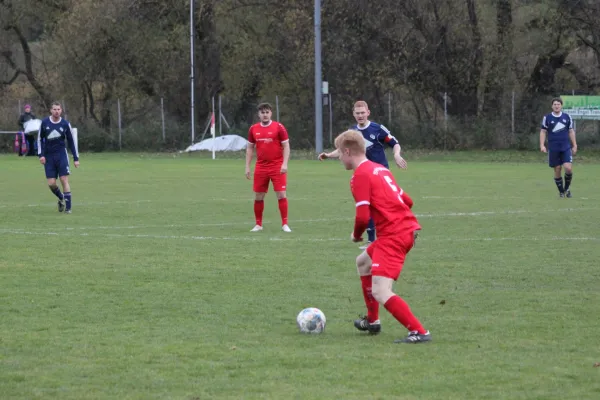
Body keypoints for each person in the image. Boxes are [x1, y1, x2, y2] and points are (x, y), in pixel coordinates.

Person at [335, 129, 430, 344]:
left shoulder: (359, 175)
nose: (339, 158)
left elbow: (362, 217)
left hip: (394, 235)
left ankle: (419, 332)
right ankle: (373, 321)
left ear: (348, 151)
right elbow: (408, 200)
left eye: (340, 153)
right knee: (363, 263)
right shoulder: (380, 169)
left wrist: (356, 235)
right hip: (402, 230)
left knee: (380, 290)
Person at [319, 100, 407, 248]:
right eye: (357, 113)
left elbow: (394, 143)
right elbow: (342, 149)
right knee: (368, 205)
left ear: (368, 113)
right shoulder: (352, 132)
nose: (360, 115)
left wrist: (397, 155)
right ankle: (372, 240)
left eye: (362, 113)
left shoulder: (377, 129)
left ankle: (398, 232)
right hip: (364, 174)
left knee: (383, 205)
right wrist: (328, 155)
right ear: (354, 114)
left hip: (380, 174)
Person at [245, 102, 291, 232]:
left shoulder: (279, 127)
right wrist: (247, 166)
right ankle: (258, 224)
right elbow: (249, 148)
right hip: (261, 167)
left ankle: (285, 224)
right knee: (258, 195)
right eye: (262, 112)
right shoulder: (253, 129)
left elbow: (286, 146)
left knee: (281, 194)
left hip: (277, 166)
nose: (265, 115)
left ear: (271, 113)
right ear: (258, 114)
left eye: (267, 112)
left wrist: (284, 163)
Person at [38, 101, 79, 213]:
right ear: (51, 110)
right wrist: (41, 155)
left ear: (61, 110)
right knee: (51, 183)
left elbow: (71, 142)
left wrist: (76, 158)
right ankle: (61, 198)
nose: (57, 111)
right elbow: (40, 139)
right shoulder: (44, 123)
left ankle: (68, 208)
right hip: (48, 156)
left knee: (64, 179)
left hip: (61, 154)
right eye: (54, 109)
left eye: (58, 109)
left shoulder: (65, 124)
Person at [540, 97, 577, 198]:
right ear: (552, 106)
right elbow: (543, 131)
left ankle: (567, 188)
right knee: (557, 169)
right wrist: (542, 145)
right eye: (555, 104)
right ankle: (561, 192)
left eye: (558, 104)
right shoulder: (547, 118)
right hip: (553, 148)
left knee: (568, 168)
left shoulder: (567, 117)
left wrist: (574, 145)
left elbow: (571, 131)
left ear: (561, 106)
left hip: (565, 147)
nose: (556, 106)